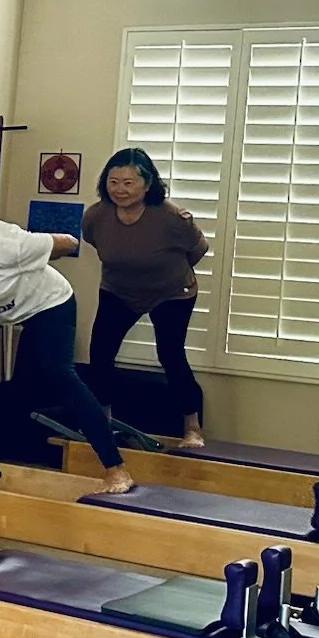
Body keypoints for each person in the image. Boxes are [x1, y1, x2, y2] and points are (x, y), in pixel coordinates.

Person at [0, 173, 136, 495]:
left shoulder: (11, 244)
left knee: (58, 374)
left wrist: (43, 247)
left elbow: (70, 242)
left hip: (44, 304)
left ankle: (115, 469)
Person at [81, 148, 208, 448]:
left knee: (171, 354)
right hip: (118, 290)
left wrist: (164, 271)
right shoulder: (96, 216)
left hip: (172, 292)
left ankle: (192, 427)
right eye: (113, 182)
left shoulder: (172, 218)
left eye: (129, 182)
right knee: (100, 354)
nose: (120, 189)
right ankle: (103, 422)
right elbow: (95, 242)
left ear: (147, 184)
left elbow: (197, 250)